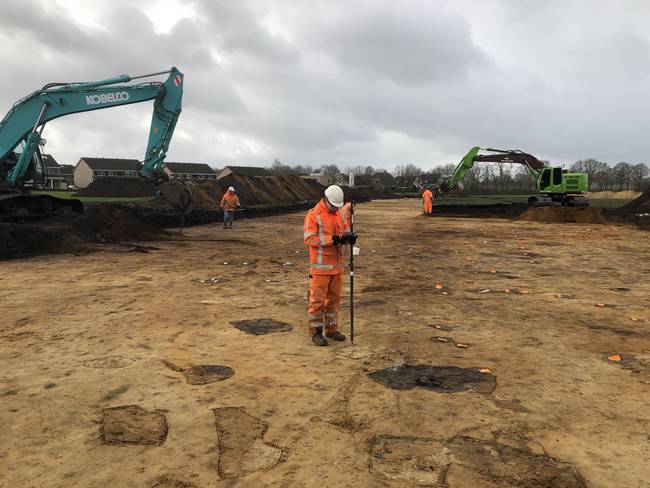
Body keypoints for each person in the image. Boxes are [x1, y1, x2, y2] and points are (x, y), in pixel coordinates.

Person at [304, 185, 357, 346]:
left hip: (337, 266)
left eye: (337, 206)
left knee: (334, 300)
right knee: (317, 301)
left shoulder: (338, 214)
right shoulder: (314, 215)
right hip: (320, 268)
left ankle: (332, 329)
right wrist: (330, 240)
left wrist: (347, 238)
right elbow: (309, 238)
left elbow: (343, 231)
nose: (335, 208)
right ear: (326, 200)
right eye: (334, 206)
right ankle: (316, 331)